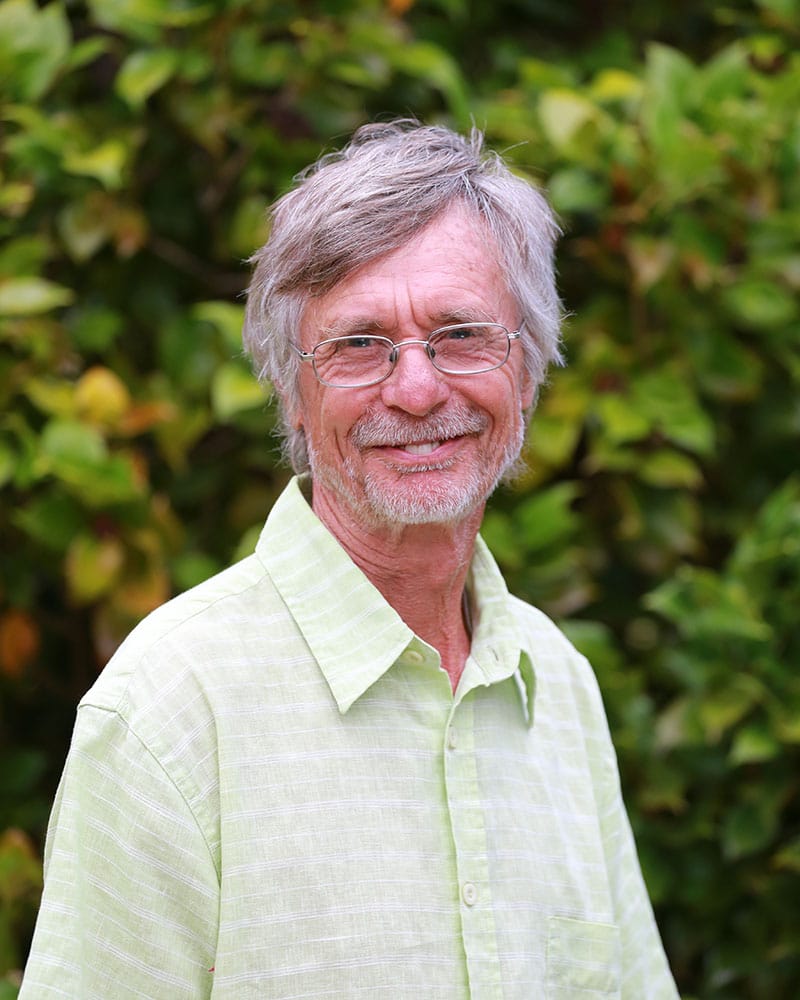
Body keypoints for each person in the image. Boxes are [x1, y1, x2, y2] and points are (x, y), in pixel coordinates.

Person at [22, 119, 679, 998]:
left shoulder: (557, 687)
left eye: (461, 332)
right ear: (292, 392)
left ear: (527, 370)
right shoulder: (167, 709)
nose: (417, 389)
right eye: (360, 344)